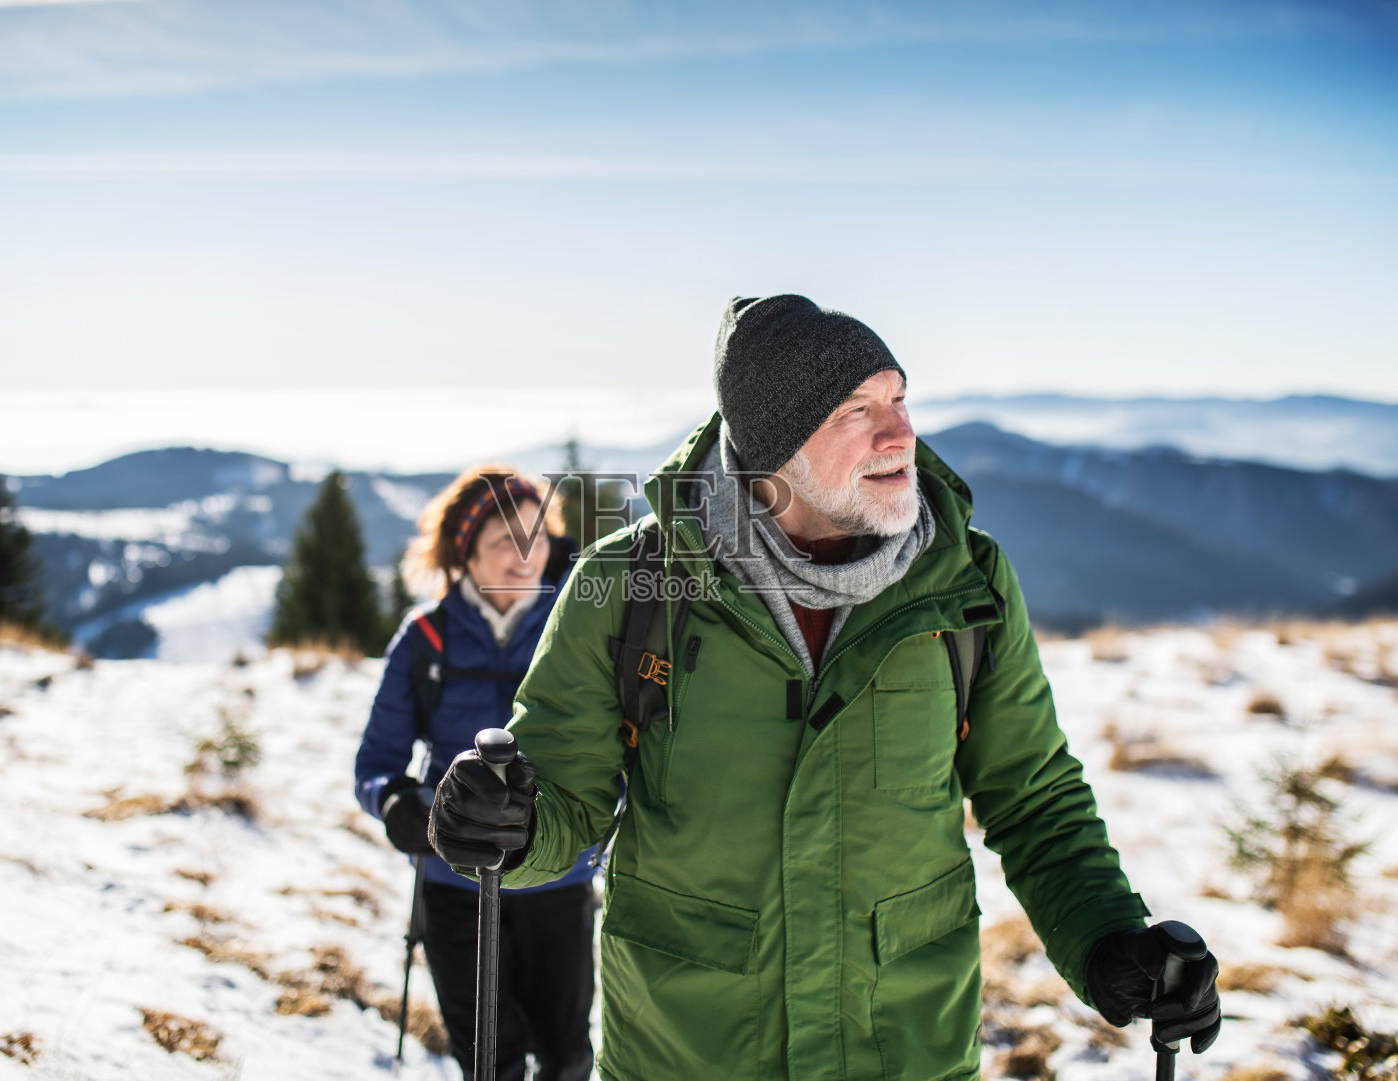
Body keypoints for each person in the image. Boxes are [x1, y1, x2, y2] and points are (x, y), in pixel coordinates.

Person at [427, 295, 1223, 1080]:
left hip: (903, 1049)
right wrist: (513, 827)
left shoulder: (966, 584)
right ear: (776, 450)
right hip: (687, 1052)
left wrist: (1110, 938)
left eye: (899, 397)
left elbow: (1034, 797)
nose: (900, 433)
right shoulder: (632, 587)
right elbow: (567, 799)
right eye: (855, 410)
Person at [355, 465, 597, 1081]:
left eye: (537, 539)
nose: (525, 557)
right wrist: (396, 804)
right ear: (466, 551)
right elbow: (376, 764)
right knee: (492, 1064)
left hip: (558, 882)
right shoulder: (426, 640)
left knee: (569, 1057)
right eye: (503, 542)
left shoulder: (578, 632)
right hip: (454, 885)